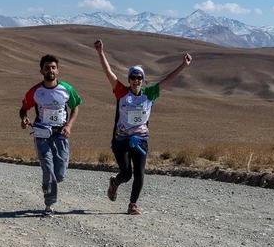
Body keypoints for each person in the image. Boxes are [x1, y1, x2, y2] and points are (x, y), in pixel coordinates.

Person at [93, 39, 192, 215]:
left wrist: (183, 65)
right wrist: (100, 52)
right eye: (133, 77)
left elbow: (168, 80)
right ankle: (115, 183)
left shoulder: (150, 94)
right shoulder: (121, 92)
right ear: (129, 79)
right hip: (121, 139)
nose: (136, 80)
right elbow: (108, 73)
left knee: (139, 172)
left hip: (140, 139)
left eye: (139, 78)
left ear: (143, 80)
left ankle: (132, 204)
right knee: (126, 174)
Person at [19, 54, 82, 216]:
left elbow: (75, 107)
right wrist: (24, 118)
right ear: (41, 71)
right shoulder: (35, 91)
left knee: (59, 173)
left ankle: (48, 183)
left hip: (61, 133)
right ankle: (49, 204)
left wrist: (69, 125)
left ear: (58, 71)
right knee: (48, 167)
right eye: (47, 67)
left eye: (53, 67)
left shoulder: (66, 89)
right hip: (42, 133)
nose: (50, 70)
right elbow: (24, 108)